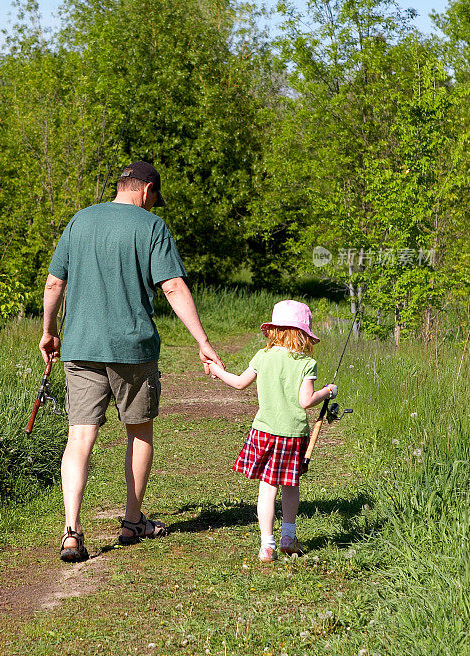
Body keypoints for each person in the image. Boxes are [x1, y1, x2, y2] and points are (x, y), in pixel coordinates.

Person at [39, 160, 223, 562]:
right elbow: (172, 285)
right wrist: (203, 341)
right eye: (156, 197)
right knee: (138, 432)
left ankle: (71, 530)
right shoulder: (151, 227)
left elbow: (55, 282)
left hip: (81, 347)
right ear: (147, 189)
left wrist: (49, 331)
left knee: (79, 436)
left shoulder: (80, 221)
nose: (155, 205)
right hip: (132, 350)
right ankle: (133, 521)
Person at [207, 300, 337, 562]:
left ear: (274, 330)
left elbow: (240, 383)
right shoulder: (305, 363)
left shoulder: (262, 356)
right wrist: (328, 391)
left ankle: (267, 545)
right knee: (290, 486)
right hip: (292, 436)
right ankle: (288, 537)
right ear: (302, 333)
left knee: (267, 488)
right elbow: (306, 401)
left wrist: (217, 371)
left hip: (263, 433)